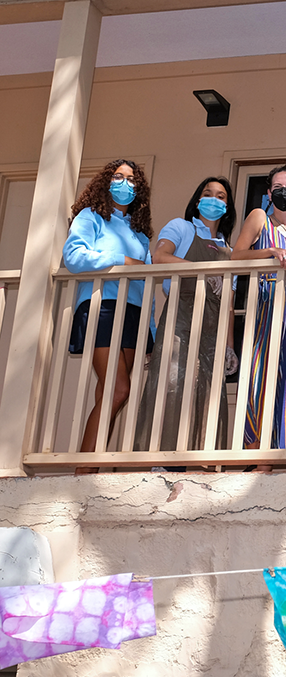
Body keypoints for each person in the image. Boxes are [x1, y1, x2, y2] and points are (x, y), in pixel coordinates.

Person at [135, 176, 237, 454]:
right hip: (182, 315)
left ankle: (199, 462)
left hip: (213, 327)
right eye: (208, 193)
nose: (214, 199)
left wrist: (229, 346)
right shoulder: (181, 227)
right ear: (197, 200)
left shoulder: (228, 249)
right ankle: (160, 459)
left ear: (227, 207)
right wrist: (203, 270)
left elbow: (228, 301)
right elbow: (161, 257)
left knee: (208, 392)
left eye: (221, 196)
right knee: (172, 384)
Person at [62, 159, 153, 471]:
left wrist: (150, 332)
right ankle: (83, 472)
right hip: (102, 308)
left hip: (133, 315)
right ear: (106, 181)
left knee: (109, 394)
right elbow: (74, 257)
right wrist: (122, 261)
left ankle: (91, 467)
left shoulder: (140, 234)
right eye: (118, 176)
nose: (124, 183)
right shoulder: (91, 217)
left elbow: (149, 282)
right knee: (118, 388)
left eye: (131, 179)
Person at [231, 158, 286, 466]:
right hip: (267, 304)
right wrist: (270, 252)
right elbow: (237, 256)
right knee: (259, 376)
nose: (284, 192)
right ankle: (254, 451)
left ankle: (275, 454)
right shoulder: (260, 218)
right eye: (278, 187)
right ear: (268, 192)